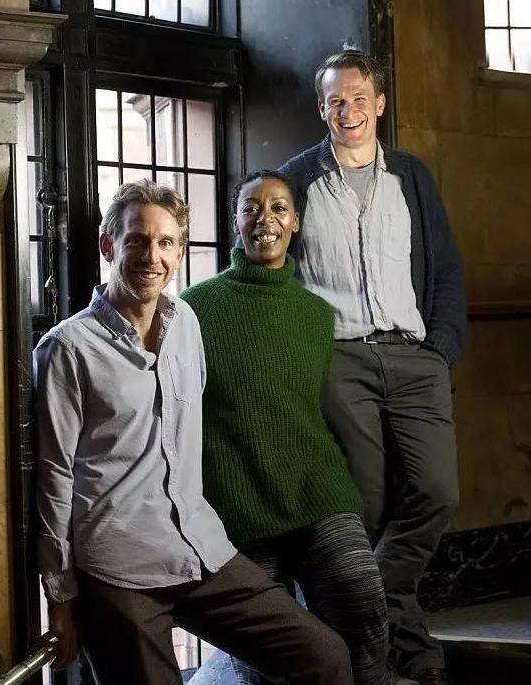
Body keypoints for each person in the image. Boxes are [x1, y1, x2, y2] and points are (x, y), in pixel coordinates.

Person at [33, 179, 356, 685]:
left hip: (199, 548)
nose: (151, 256)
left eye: (165, 242)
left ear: (180, 253)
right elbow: (53, 481)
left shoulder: (186, 320)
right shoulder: (67, 349)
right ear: (107, 245)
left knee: (325, 656)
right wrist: (60, 598)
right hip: (119, 571)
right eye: (136, 240)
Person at [277, 50, 467, 685]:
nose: (348, 110)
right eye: (336, 100)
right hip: (341, 358)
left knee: (436, 491)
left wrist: (442, 348)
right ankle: (409, 650)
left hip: (416, 357)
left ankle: (358, 619)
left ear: (379, 104)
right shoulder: (297, 179)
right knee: (368, 501)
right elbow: (275, 267)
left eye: (359, 98)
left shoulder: (412, 175)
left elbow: (445, 266)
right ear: (321, 108)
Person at [182, 170, 390, 685]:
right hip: (238, 506)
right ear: (235, 220)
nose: (265, 219)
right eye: (251, 208)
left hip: (317, 494)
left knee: (362, 604)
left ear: (295, 221)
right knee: (263, 655)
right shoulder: (192, 309)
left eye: (278, 207)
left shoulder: (316, 315)